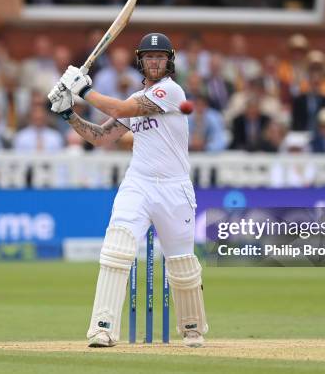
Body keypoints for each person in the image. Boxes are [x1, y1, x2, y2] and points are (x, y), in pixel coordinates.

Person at [47, 33, 208, 348]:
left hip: (175, 188)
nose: (154, 61)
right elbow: (100, 137)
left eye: (160, 57)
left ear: (169, 61)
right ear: (141, 61)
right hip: (139, 183)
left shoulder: (171, 92)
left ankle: (192, 327)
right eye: (149, 57)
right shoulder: (137, 100)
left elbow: (120, 108)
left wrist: (83, 90)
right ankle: (102, 328)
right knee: (116, 248)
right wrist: (68, 113)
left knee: (182, 263)